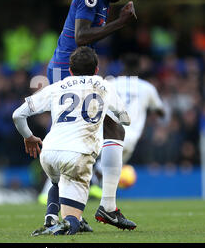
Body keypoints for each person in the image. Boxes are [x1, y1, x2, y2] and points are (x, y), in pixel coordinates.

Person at [40, 0, 144, 230]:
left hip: (74, 70)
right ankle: (84, 211)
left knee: (111, 130)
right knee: (80, 137)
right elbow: (81, 36)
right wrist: (120, 23)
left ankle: (90, 210)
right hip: (67, 70)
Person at [12, 47, 130, 235]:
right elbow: (125, 120)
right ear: (97, 70)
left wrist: (29, 137)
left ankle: (50, 219)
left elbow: (18, 115)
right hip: (78, 155)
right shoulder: (105, 86)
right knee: (73, 221)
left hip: (49, 152)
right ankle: (66, 225)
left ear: (70, 70)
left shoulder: (57, 87)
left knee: (57, 181)